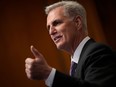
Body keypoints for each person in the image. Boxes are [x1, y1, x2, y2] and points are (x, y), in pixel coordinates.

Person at [25, 1, 116, 87]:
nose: (51, 32)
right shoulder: (76, 63)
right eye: (48, 28)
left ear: (77, 22)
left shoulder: (97, 52)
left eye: (56, 23)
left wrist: (48, 74)